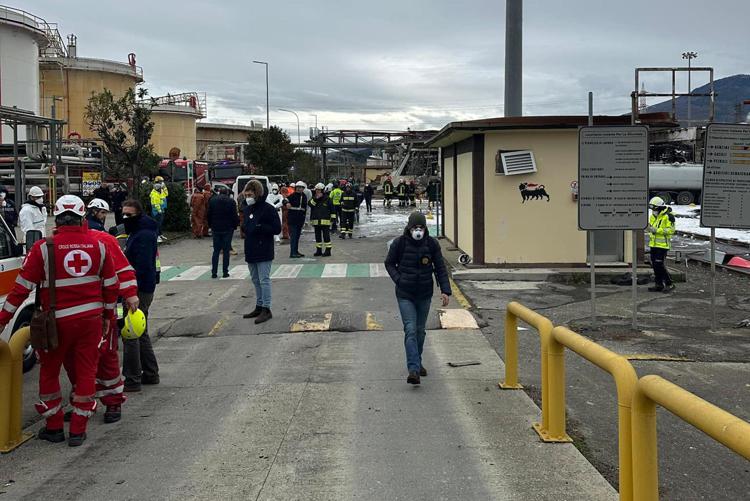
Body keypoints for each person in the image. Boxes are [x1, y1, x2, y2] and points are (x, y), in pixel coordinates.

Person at [0, 195, 119, 446]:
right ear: (82, 216)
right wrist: (108, 316)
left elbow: (20, 289)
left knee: (50, 371)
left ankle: (54, 427)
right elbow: (111, 286)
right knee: (87, 371)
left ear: (56, 216)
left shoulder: (44, 247)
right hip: (91, 321)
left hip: (55, 322)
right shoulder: (99, 247)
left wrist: (3, 319)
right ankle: (78, 429)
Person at [385, 212, 451, 385]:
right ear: (409, 227)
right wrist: (399, 280)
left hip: (424, 294)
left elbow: (440, 268)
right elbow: (389, 263)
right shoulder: (399, 243)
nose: (418, 231)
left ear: (425, 228)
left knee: (420, 330)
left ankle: (418, 361)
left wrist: (445, 290)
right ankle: (413, 369)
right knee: (411, 329)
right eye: (415, 227)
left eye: (421, 227)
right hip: (405, 294)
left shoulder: (431, 244)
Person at [121, 199, 160, 392]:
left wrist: (131, 292)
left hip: (138, 289)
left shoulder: (143, 235)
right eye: (123, 214)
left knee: (130, 333)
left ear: (139, 214)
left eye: (129, 214)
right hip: (141, 287)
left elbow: (142, 266)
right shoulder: (139, 231)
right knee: (140, 331)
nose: (125, 217)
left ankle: (132, 378)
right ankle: (151, 373)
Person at [241, 180, 281, 324]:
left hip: (264, 248)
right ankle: (259, 305)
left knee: (264, 280)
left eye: (250, 194)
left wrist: (260, 227)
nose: (247, 197)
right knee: (255, 280)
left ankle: (266, 308)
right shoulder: (247, 209)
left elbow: (277, 228)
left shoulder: (268, 209)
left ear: (257, 194)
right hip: (251, 248)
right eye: (246, 194)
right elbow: (245, 226)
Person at [207, 187, 239, 279]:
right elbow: (234, 215)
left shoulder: (213, 201)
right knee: (226, 251)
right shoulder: (231, 202)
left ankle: (214, 272)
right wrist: (235, 226)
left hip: (216, 228)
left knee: (216, 251)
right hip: (228, 228)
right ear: (227, 193)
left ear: (219, 192)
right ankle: (225, 272)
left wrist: (210, 225)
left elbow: (209, 214)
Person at [647, 196, 676, 293]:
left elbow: (671, 230)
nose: (653, 211)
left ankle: (669, 283)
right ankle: (658, 284)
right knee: (655, 265)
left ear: (660, 208)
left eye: (655, 209)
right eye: (652, 209)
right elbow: (651, 228)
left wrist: (656, 230)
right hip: (653, 244)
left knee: (659, 264)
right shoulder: (652, 216)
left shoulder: (668, 216)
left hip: (663, 246)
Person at [309, 183, 335, 257]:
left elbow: (332, 209)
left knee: (326, 236)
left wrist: (333, 218)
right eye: (316, 190)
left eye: (319, 190)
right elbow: (310, 205)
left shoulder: (327, 199)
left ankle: (328, 250)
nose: (317, 191)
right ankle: (319, 250)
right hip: (316, 221)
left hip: (325, 221)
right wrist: (316, 198)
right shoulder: (314, 198)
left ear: (323, 190)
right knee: (317, 236)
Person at [285, 181, 308, 258]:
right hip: (292, 219)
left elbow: (304, 208)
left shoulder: (304, 196)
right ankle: (292, 253)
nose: (299, 189)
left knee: (297, 236)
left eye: (301, 188)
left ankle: (296, 251)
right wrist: (286, 203)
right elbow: (284, 200)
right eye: (298, 187)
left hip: (300, 219)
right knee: (293, 236)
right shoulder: (292, 195)